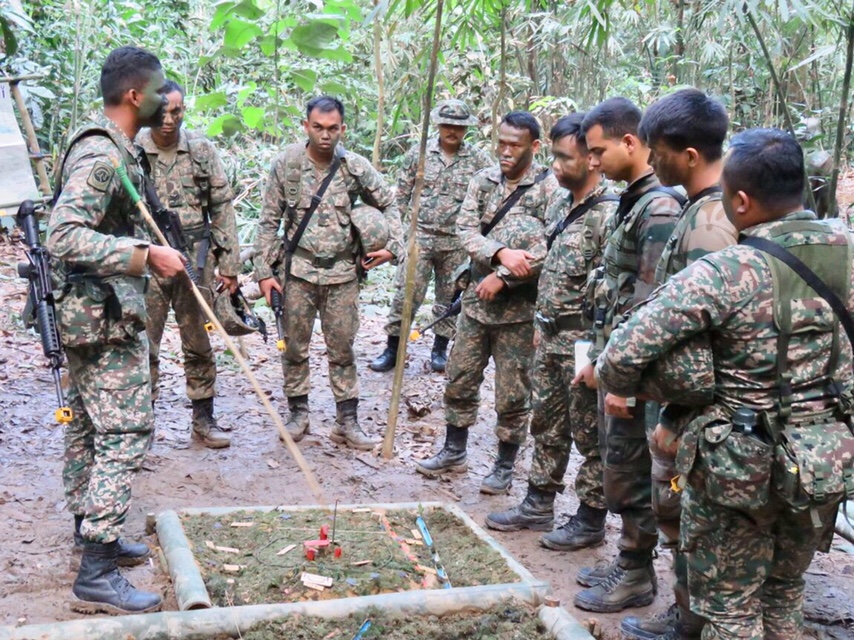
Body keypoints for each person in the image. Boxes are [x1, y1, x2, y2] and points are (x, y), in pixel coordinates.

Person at [597, 128, 854, 640]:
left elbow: (619, 357)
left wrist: (678, 386)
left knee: (730, 611)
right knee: (784, 594)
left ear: (740, 200)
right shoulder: (847, 253)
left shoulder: (726, 270)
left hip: (741, 466)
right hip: (825, 460)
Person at [47, 46, 186, 614]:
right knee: (126, 430)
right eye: (158, 92)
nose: (165, 102)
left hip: (87, 312)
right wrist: (143, 254)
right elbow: (63, 235)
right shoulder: (103, 158)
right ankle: (97, 569)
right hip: (101, 316)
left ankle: (90, 530)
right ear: (135, 95)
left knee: (85, 423)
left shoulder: (106, 146)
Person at [620, 88, 735, 640]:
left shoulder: (708, 225)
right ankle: (689, 610)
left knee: (686, 509)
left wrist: (670, 415)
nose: (650, 157)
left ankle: (691, 618)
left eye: (657, 149)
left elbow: (700, 335)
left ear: (688, 155)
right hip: (692, 402)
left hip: (698, 407)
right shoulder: (705, 209)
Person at [485, 113, 616, 550]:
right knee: (547, 424)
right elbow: (551, 269)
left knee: (589, 434)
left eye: (566, 158)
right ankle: (539, 501)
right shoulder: (561, 206)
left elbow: (612, 292)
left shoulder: (607, 217)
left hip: (584, 344)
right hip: (550, 337)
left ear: (593, 160)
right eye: (555, 156)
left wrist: (600, 353)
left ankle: (590, 516)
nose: (556, 167)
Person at [572, 97, 683, 613]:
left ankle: (638, 573)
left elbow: (649, 303)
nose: (592, 162)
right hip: (616, 361)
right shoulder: (634, 201)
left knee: (633, 473)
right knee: (620, 469)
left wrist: (624, 378)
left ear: (630, 143)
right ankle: (629, 559)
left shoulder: (659, 207)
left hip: (634, 373)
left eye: (598, 152)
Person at [415, 111, 555, 494]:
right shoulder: (484, 180)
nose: (506, 152)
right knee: (460, 378)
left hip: (519, 314)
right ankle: (454, 450)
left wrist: (506, 276)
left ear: (535, 147)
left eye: (515, 145)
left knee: (513, 392)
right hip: (475, 306)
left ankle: (504, 465)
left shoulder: (550, 189)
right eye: (502, 143)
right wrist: (499, 254)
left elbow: (553, 247)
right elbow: (464, 229)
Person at [253, 96, 403, 449]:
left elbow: (390, 203)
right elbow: (267, 223)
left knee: (343, 350)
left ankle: (346, 421)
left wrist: (392, 246)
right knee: (294, 347)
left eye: (332, 128)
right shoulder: (287, 165)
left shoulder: (355, 167)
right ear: (305, 126)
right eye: (318, 128)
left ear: (343, 129)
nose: (325, 135)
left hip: (343, 275)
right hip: (298, 273)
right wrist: (263, 273)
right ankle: (298, 413)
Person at [138, 80, 241, 449]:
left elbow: (222, 206)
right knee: (142, 340)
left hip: (195, 256)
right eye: (162, 111)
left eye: (177, 111)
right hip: (147, 260)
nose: (169, 120)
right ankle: (141, 423)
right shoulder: (133, 150)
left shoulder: (200, 149)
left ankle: (203, 416)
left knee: (197, 339)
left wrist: (228, 263)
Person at [370, 99, 491, 373]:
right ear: (438, 124)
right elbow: (399, 198)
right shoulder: (419, 154)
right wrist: (393, 239)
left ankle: (440, 349)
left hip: (456, 242)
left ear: (466, 129)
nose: (452, 131)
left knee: (449, 297)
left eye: (459, 127)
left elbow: (490, 200)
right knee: (406, 293)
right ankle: (393, 348)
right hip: (420, 237)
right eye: (447, 125)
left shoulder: (478, 160)